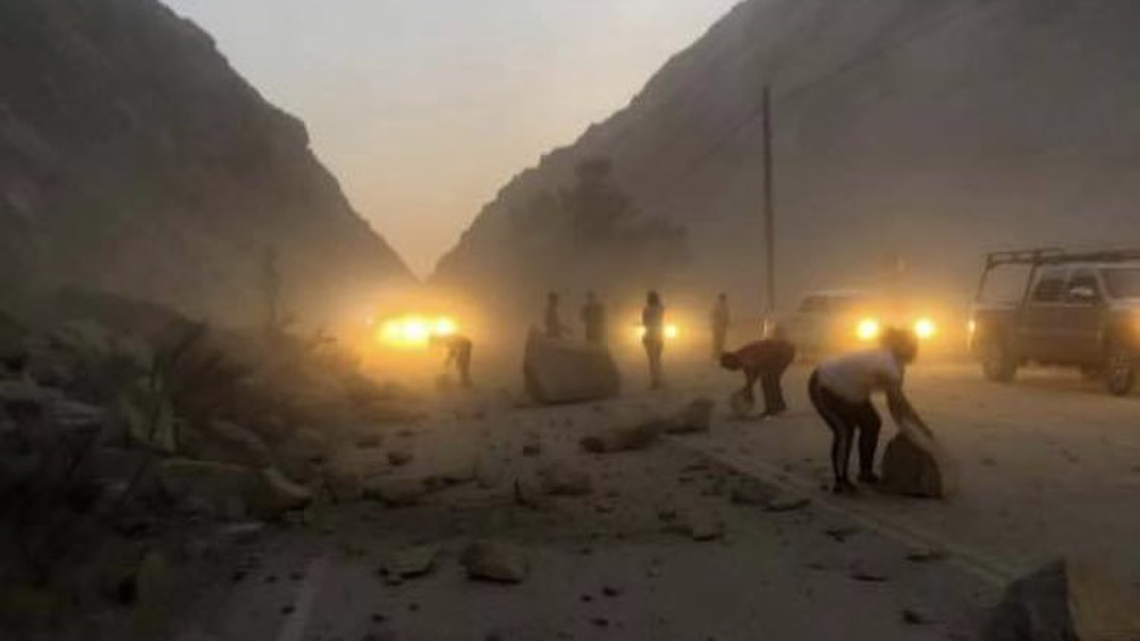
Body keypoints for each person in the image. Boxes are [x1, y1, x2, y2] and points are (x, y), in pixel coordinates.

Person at [808, 327, 931, 495]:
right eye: (911, 345)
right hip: (825, 385)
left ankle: (865, 473)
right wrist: (919, 430)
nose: (915, 348)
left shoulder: (895, 365)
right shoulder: (886, 364)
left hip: (853, 392)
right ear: (899, 346)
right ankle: (841, 481)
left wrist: (918, 428)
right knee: (844, 430)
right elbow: (897, 405)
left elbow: (898, 403)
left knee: (872, 423)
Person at [719, 329, 796, 416]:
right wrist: (748, 388)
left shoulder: (745, 358)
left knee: (767, 380)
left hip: (783, 351)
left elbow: (755, 373)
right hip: (783, 350)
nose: (732, 369)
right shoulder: (742, 359)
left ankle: (771, 408)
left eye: (730, 367)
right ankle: (779, 405)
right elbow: (752, 376)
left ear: (732, 360)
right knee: (772, 379)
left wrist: (749, 389)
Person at [642, 290, 666, 389]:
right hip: (659, 335)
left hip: (649, 336)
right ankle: (659, 379)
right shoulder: (661, 308)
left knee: (651, 360)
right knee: (658, 358)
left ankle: (654, 380)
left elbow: (644, 322)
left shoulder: (646, 309)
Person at [710, 293, 730, 361]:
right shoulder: (717, 306)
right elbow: (713, 315)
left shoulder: (725, 307)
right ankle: (715, 355)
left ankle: (719, 354)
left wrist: (727, 323)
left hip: (722, 327)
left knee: (721, 341)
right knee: (717, 341)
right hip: (718, 326)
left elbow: (727, 316)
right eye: (723, 298)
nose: (724, 300)